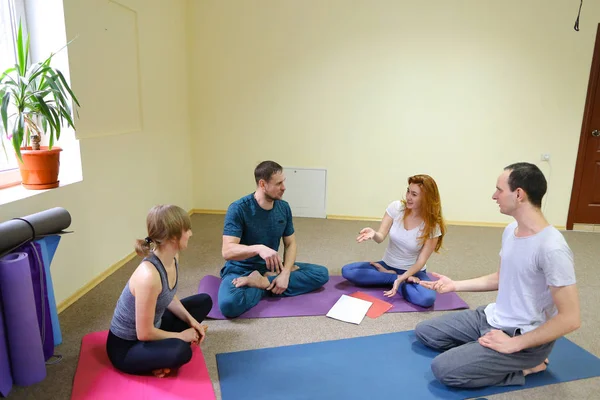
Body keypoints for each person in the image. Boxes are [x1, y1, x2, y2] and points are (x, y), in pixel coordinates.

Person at [416, 162, 580, 388]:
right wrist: (454, 285)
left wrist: (515, 344)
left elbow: (570, 319)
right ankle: (484, 350)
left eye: (499, 190)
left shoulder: (552, 248)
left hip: (522, 337)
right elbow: (501, 277)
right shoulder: (511, 231)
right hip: (493, 317)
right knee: (426, 333)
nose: (494, 196)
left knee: (444, 369)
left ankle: (530, 366)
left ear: (519, 194)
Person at [106, 205, 213, 378]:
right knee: (182, 351)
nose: (191, 234)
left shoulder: (173, 256)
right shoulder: (149, 276)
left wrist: (192, 322)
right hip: (127, 347)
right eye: (187, 230)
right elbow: (144, 333)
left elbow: (167, 296)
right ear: (172, 237)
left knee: (204, 301)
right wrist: (181, 336)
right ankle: (154, 362)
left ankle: (158, 360)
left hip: (155, 323)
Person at [218, 160, 329, 318]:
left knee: (321, 274)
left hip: (272, 269)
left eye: (283, 182)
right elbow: (227, 251)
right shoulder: (238, 209)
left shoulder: (283, 208)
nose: (284, 187)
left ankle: (264, 283)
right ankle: (270, 285)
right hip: (240, 270)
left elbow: (290, 243)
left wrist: (284, 273)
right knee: (229, 305)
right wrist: (258, 248)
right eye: (278, 183)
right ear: (262, 184)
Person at [341, 174, 445, 308]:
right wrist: (374, 234)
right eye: (408, 191)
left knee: (427, 299)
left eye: (414, 194)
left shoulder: (432, 226)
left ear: (426, 198)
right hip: (387, 266)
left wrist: (405, 275)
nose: (408, 197)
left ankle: (398, 280)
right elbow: (380, 237)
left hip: (414, 271)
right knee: (348, 271)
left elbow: (421, 261)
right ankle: (395, 279)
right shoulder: (396, 208)